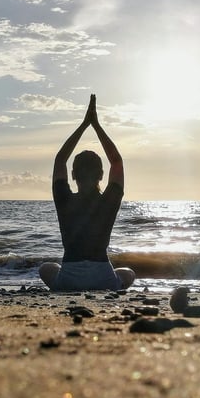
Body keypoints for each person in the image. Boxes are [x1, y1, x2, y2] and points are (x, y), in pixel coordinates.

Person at [39, 94, 136, 291]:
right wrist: (96, 125)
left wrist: (84, 125)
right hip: (103, 279)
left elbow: (60, 160)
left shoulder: (64, 199)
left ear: (73, 175)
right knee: (128, 273)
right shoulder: (108, 201)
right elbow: (116, 161)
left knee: (46, 268)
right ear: (101, 175)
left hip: (68, 280)